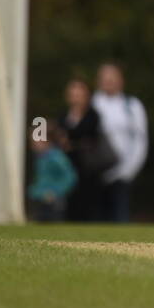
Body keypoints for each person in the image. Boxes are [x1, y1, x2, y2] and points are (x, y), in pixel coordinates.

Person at [91, 62, 149, 223]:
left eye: (112, 77)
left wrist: (129, 170)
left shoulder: (132, 106)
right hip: (94, 174)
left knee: (119, 219)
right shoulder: (91, 105)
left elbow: (140, 141)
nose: (109, 81)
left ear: (121, 80)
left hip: (122, 174)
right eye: (105, 78)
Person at [57, 77, 109, 222]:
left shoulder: (93, 116)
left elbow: (91, 138)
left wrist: (71, 143)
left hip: (88, 169)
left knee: (88, 205)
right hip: (68, 167)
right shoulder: (63, 116)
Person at [27, 129, 79, 223]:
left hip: (53, 202)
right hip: (40, 199)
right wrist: (34, 191)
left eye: (35, 142)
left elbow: (70, 177)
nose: (33, 145)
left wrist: (56, 192)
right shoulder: (41, 157)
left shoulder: (56, 157)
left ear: (45, 141)